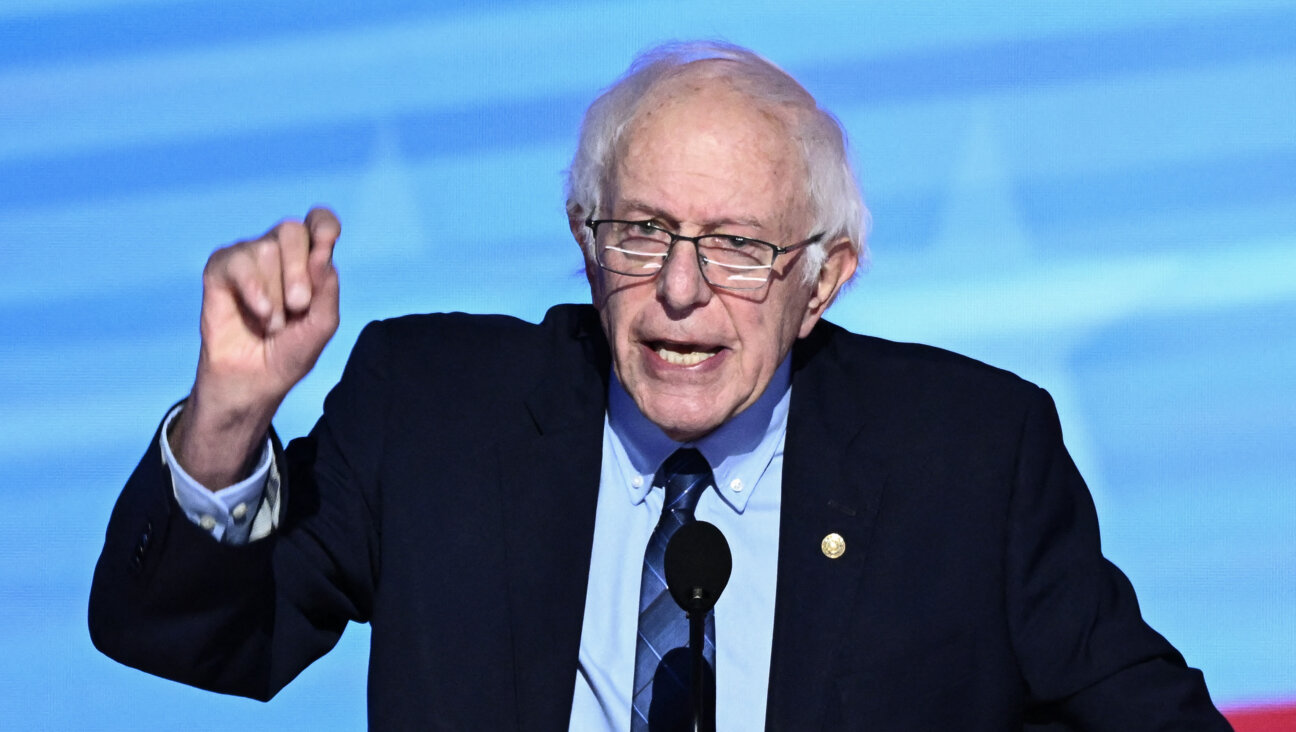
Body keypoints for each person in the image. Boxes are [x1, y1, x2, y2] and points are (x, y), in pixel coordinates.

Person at [89, 41, 1231, 730]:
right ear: (586, 242)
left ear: (824, 280)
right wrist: (230, 420)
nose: (682, 290)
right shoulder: (434, 408)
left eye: (738, 246)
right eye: (644, 233)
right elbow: (191, 641)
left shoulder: (971, 459)